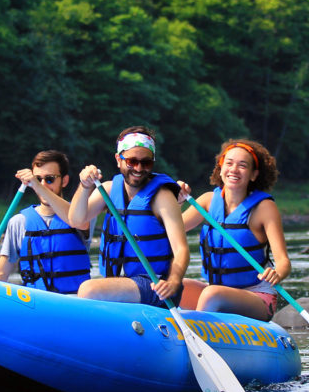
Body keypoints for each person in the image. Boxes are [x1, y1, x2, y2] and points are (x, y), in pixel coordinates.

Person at [69, 126, 189, 307]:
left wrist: (173, 281)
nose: (139, 168)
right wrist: (85, 187)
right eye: (132, 161)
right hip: (126, 283)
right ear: (119, 159)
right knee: (85, 290)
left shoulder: (162, 197)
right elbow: (77, 220)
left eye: (146, 162)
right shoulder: (108, 190)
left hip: (158, 286)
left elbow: (181, 249)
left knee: (88, 290)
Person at [178, 139, 290, 321]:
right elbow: (171, 230)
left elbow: (283, 261)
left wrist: (278, 273)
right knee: (174, 286)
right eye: (228, 163)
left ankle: (195, 339)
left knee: (211, 294)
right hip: (219, 292)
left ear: (253, 175)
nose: (234, 169)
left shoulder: (264, 208)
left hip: (257, 297)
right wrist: (177, 202)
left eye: (242, 165)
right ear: (220, 169)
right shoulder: (207, 201)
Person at [0, 150, 91, 293]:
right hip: (37, 305)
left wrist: (37, 186)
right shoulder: (18, 222)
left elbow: (75, 220)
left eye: (50, 179)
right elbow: (0, 273)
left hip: (74, 303)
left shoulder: (83, 214)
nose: (43, 184)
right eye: (38, 179)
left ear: (64, 181)